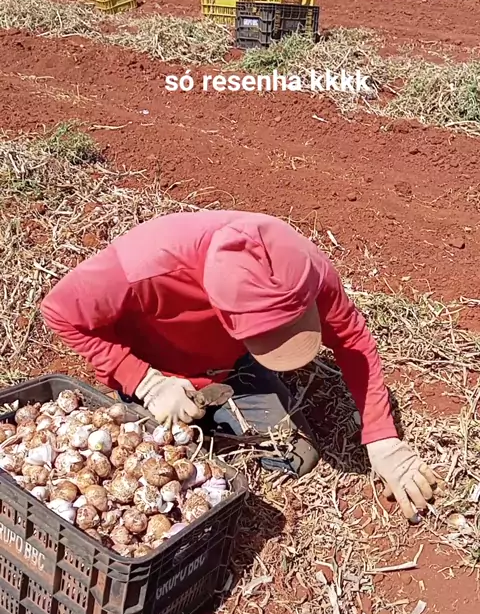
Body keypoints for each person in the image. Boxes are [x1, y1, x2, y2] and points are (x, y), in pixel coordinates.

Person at [40, 210, 436, 520]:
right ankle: (160, 405)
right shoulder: (144, 266)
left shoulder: (305, 266)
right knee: (145, 471)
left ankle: (219, 402)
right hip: (157, 371)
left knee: (298, 456)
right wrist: (144, 380)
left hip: (227, 364)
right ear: (222, 308)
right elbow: (58, 312)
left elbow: (352, 340)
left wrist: (382, 438)